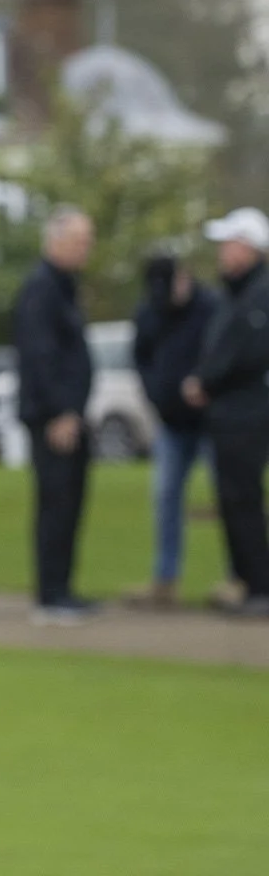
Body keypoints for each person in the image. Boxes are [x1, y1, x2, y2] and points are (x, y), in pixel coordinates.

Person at [14, 206, 98, 624]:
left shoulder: (64, 287)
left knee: (72, 502)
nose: (87, 249)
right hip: (54, 417)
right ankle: (50, 595)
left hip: (71, 413)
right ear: (57, 240)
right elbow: (40, 356)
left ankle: (64, 587)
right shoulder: (42, 289)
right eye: (81, 240)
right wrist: (60, 412)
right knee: (56, 501)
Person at [184, 207, 269, 617]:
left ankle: (259, 586)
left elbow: (247, 353)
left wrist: (206, 382)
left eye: (229, 244)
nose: (223, 252)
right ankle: (245, 581)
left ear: (249, 248)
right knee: (233, 499)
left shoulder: (260, 293)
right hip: (229, 413)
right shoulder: (234, 293)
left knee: (243, 498)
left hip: (247, 414)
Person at [129, 252, 219, 609]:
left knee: (233, 499)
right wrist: (156, 394)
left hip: (211, 422)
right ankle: (165, 579)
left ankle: (241, 577)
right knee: (165, 498)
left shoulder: (211, 305)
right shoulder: (151, 309)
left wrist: (205, 382)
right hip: (170, 422)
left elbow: (225, 352)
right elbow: (141, 357)